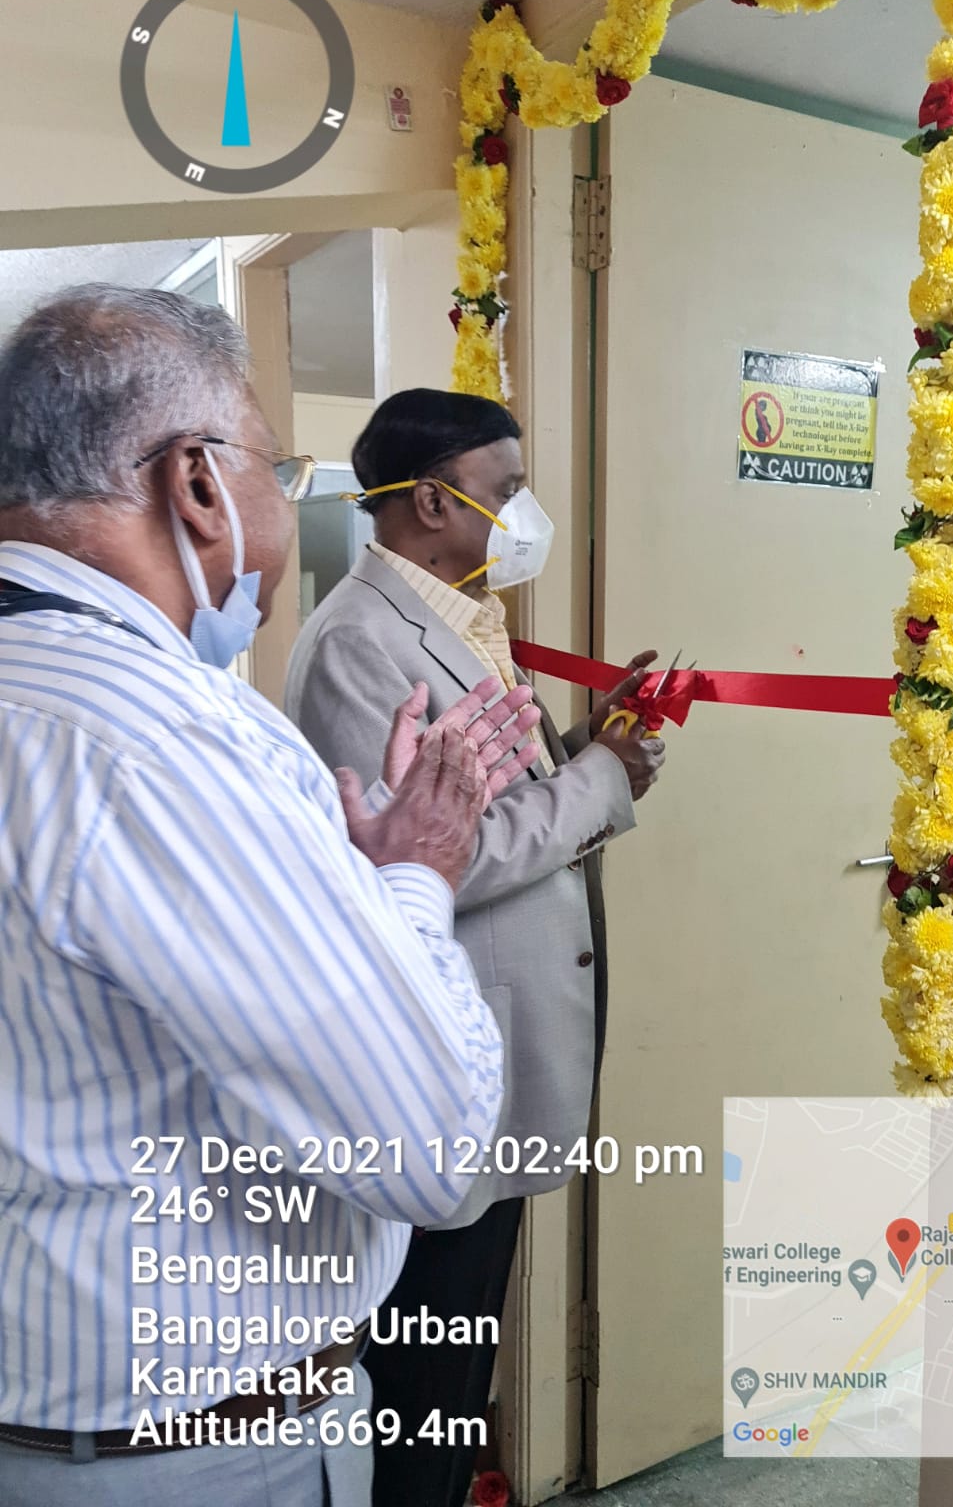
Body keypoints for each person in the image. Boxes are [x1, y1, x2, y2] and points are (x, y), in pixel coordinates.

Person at [0, 287, 542, 1507]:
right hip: (194, 1449)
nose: (286, 505)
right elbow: (423, 1144)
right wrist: (413, 874)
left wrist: (344, 875)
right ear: (195, 480)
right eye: (276, 468)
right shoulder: (166, 739)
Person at [285, 388, 665, 1507]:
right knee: (427, 1378)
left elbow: (484, 795)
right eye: (507, 490)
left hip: (498, 1054)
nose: (523, 514)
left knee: (455, 1364)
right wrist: (598, 785)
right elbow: (436, 854)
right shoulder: (359, 642)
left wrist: (584, 752)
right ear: (432, 504)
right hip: (446, 1067)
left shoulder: (459, 615)